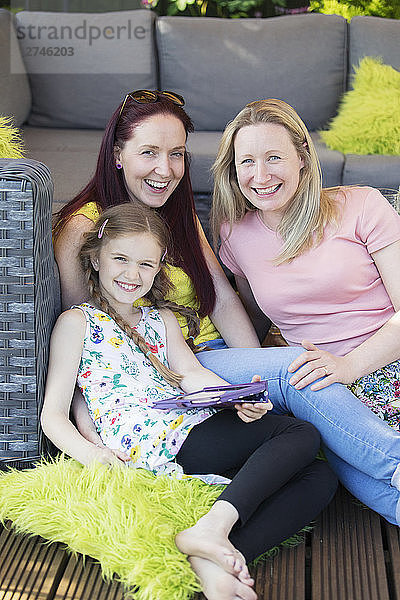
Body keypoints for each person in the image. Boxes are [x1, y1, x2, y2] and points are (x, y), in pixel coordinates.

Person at [53, 89, 400, 528]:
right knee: (299, 369)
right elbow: (87, 343)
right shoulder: (84, 227)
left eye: (176, 154)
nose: (165, 169)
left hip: (221, 360)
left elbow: (220, 294)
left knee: (321, 442)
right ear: (117, 154)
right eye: (149, 152)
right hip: (174, 363)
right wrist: (89, 434)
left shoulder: (178, 215)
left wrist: (258, 370)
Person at [42, 204, 338, 600]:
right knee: (299, 434)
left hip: (185, 425)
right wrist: (92, 455)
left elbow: (190, 375)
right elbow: (53, 414)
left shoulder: (159, 319)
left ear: (160, 265)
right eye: (121, 259)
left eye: (146, 264)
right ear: (96, 259)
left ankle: (218, 558)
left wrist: (233, 400)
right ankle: (213, 529)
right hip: (146, 437)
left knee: (320, 477)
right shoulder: (77, 323)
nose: (133, 274)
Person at [211, 97, 400, 517]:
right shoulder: (234, 233)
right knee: (378, 494)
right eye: (247, 162)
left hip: (385, 360)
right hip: (323, 391)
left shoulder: (362, 206)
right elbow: (253, 313)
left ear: (302, 157)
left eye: (274, 157)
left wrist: (350, 365)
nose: (260, 176)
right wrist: (253, 386)